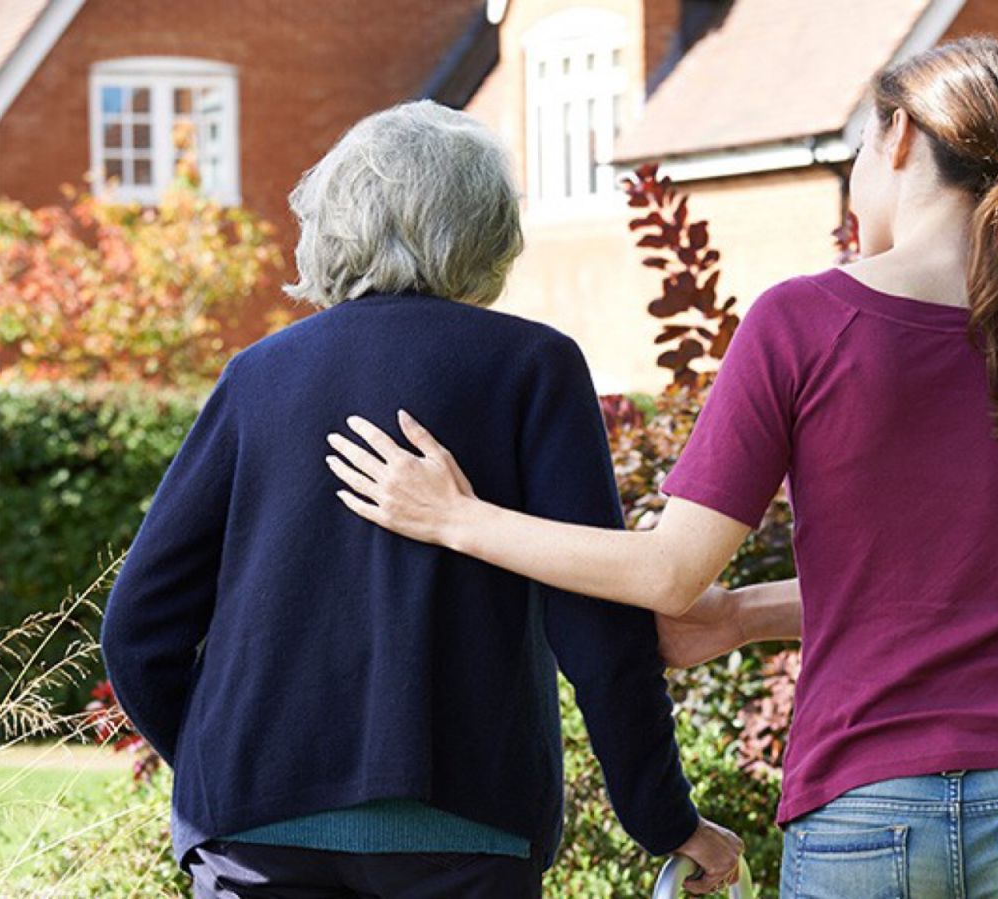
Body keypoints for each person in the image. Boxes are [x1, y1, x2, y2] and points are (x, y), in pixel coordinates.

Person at [325, 37, 998, 897]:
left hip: (867, 799)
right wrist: (745, 616)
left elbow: (670, 573)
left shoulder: (807, 319)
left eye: (864, 142)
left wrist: (458, 517)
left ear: (896, 139)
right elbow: (973, 580)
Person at [99, 99, 743, 899]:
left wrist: (228, 766)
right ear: (490, 229)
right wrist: (665, 819)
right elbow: (598, 626)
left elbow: (137, 629)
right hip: (466, 831)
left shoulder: (257, 377)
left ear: (335, 217)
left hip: (255, 830)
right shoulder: (533, 369)